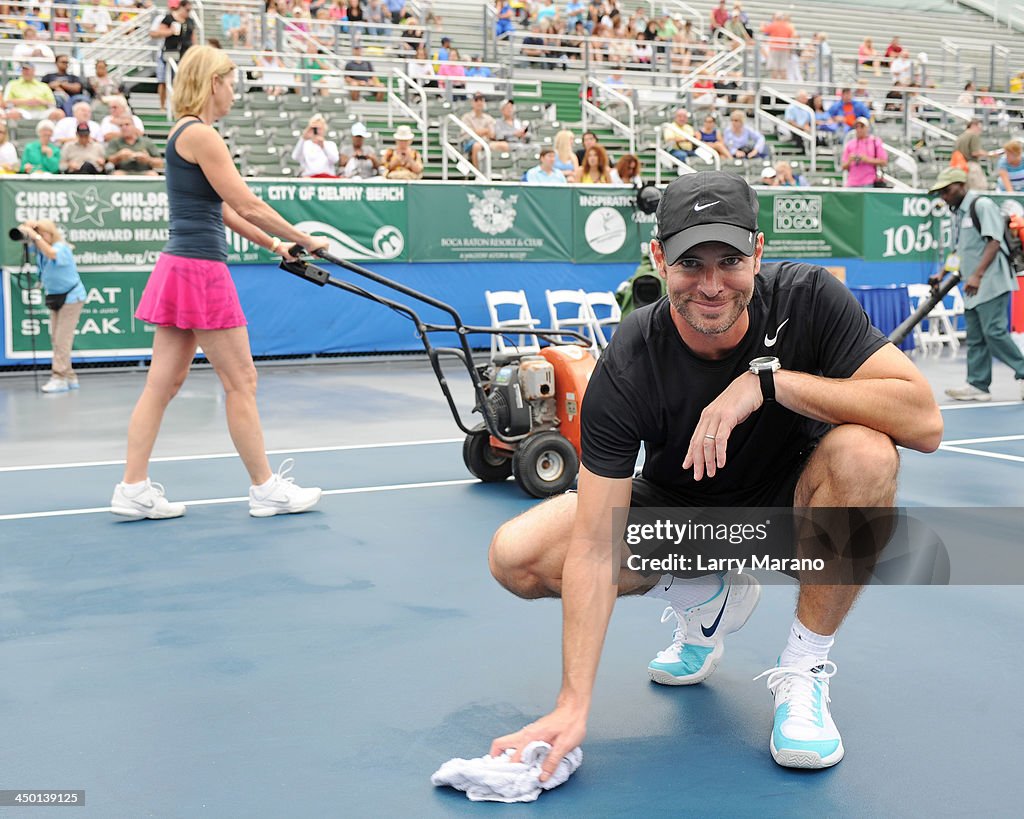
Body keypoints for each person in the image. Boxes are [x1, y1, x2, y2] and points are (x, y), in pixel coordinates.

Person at [486, 170, 942, 779]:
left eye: (728, 259)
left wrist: (770, 384)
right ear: (658, 258)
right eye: (689, 262)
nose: (710, 285)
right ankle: (704, 592)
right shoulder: (629, 359)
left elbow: (924, 422)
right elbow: (595, 544)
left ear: (758, 251)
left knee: (867, 454)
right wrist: (573, 704)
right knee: (516, 555)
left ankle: (803, 670)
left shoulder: (807, 298)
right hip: (685, 512)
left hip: (793, 507)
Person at [110, 45, 329, 521]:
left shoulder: (182, 134)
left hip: (178, 267)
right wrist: (302, 237)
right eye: (231, 82)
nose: (235, 91)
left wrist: (276, 247)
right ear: (213, 83)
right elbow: (247, 203)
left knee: (161, 385)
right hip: (200, 271)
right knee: (241, 381)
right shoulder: (203, 135)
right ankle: (265, 488)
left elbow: (225, 211)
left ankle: (132, 487)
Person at [930, 167, 1024, 402]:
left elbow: (994, 242)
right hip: (973, 286)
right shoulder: (958, 213)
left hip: (990, 281)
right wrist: (943, 273)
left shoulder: (981, 205)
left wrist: (977, 275)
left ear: (961, 186)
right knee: (976, 337)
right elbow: (959, 250)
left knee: (994, 332)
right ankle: (978, 385)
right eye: (941, 192)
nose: (944, 196)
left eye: (947, 190)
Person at [16, 219, 86, 393]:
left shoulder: (61, 248)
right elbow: (26, 240)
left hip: (71, 297)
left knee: (62, 339)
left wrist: (35, 235)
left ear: (51, 233)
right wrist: (27, 229)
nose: (40, 237)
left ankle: (59, 377)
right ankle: (70, 377)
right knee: (56, 338)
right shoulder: (40, 249)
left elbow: (52, 254)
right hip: (54, 297)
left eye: (43, 233)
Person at [153, 0, 197, 112]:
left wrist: (195, 51)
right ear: (181, 7)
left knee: (181, 81)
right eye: (187, 9)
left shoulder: (190, 21)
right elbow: (157, 33)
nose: (188, 12)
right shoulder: (168, 19)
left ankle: (179, 105)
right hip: (169, 53)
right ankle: (163, 106)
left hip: (185, 54)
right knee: (164, 80)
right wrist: (171, 31)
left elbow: (193, 37)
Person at [841, 116, 886, 187]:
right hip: (851, 182)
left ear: (867, 128)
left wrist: (867, 160)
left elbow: (884, 162)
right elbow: (843, 166)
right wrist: (850, 160)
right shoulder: (850, 144)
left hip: (868, 181)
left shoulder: (875, 142)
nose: (859, 129)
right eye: (857, 127)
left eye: (862, 126)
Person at [291, 113, 340, 178]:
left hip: (327, 178)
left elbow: (334, 160)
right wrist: (303, 138)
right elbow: (295, 157)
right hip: (309, 178)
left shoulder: (330, 144)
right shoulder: (305, 144)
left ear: (324, 129)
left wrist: (323, 146)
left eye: (320, 128)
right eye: (315, 128)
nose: (317, 131)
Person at [952, 119, 995, 191]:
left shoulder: (960, 137)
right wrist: (990, 154)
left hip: (960, 167)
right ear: (973, 126)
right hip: (971, 166)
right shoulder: (973, 135)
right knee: (980, 189)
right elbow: (975, 152)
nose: (980, 130)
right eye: (979, 128)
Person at [460, 92, 497, 168]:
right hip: (470, 143)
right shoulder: (466, 117)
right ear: (472, 102)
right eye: (476, 100)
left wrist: (482, 132)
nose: (479, 102)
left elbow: (492, 134)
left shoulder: (488, 118)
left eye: (481, 100)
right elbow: (469, 134)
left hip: (487, 142)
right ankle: (478, 174)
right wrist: (485, 131)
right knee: (476, 146)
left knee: (503, 145)